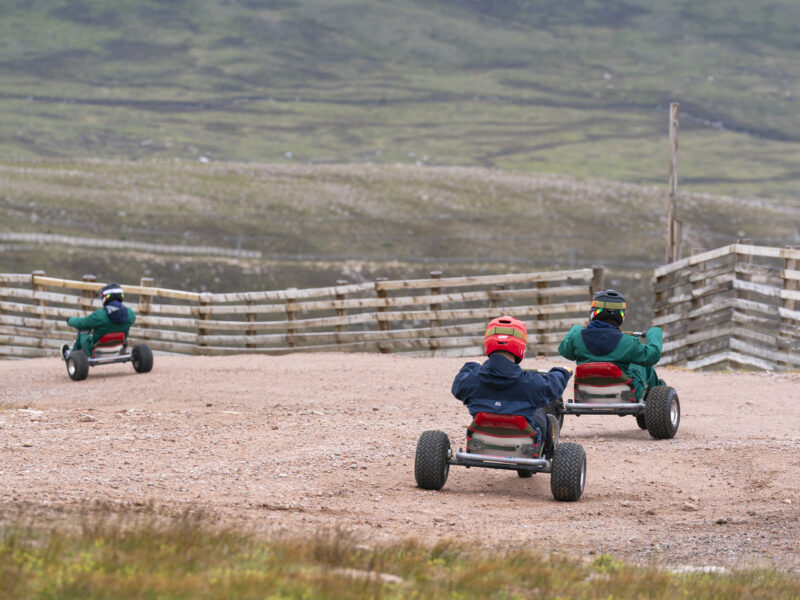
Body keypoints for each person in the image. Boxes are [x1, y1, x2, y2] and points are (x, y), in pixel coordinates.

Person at [451, 315, 572, 458]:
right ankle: (548, 455)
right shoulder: (530, 382)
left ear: (488, 342)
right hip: (523, 443)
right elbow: (553, 387)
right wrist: (562, 372)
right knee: (542, 415)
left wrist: (470, 365)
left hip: (481, 439)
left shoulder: (472, 379)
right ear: (520, 345)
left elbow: (457, 387)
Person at [557, 289, 663, 400]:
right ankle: (657, 401)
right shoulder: (628, 342)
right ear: (621, 315)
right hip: (624, 395)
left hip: (585, 393)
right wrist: (654, 332)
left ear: (594, 311)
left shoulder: (576, 335)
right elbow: (653, 356)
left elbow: (566, 352)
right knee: (644, 366)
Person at [61, 282, 136, 359]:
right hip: (120, 347)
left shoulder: (100, 314)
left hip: (97, 350)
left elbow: (82, 323)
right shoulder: (130, 313)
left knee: (83, 332)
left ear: (106, 297)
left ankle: (72, 356)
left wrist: (69, 320)